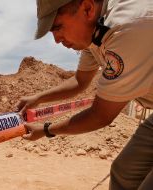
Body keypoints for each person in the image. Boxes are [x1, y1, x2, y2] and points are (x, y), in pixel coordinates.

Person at [16, 0, 153, 189]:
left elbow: (100, 115)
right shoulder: (93, 31)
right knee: (124, 172)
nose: (56, 39)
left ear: (87, 8)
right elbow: (80, 81)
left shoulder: (127, 28)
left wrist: (46, 129)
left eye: (58, 27)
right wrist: (38, 98)